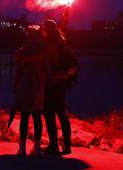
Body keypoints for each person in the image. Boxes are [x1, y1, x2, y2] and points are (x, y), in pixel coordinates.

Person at [42, 19, 77, 155]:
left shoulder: (48, 46)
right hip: (61, 88)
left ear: (46, 30)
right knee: (62, 115)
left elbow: (49, 73)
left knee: (50, 116)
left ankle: (53, 146)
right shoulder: (61, 42)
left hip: (51, 86)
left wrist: (64, 74)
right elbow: (62, 25)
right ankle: (67, 146)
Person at [14, 24, 46, 156]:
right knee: (37, 117)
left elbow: (17, 72)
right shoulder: (44, 52)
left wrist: (15, 87)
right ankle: (37, 148)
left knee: (24, 118)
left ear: (28, 35)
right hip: (38, 87)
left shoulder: (20, 52)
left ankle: (22, 149)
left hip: (23, 86)